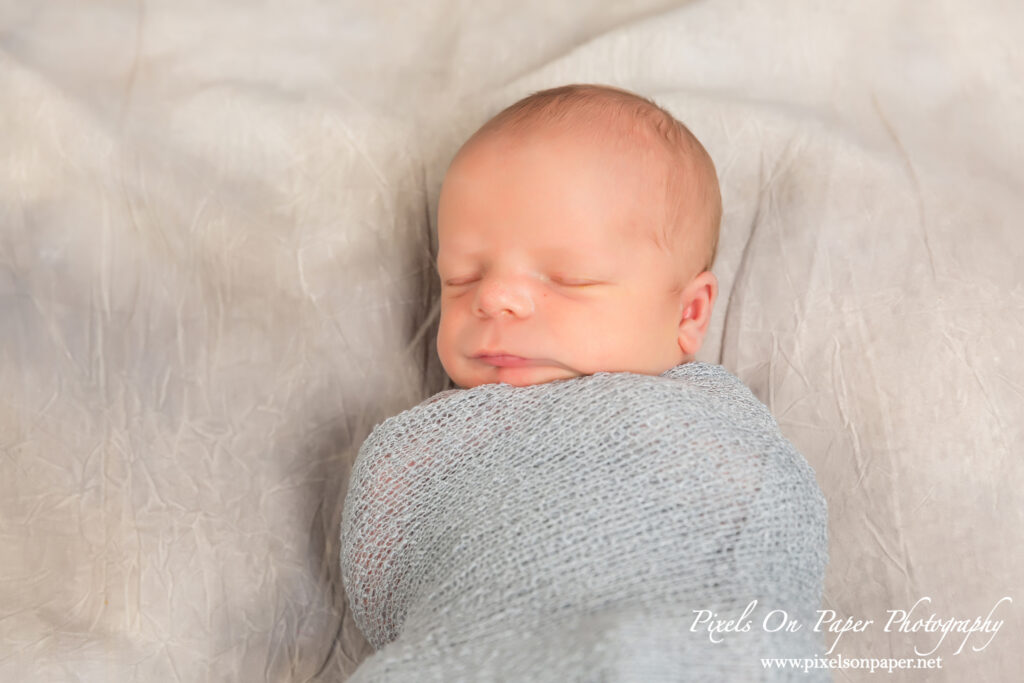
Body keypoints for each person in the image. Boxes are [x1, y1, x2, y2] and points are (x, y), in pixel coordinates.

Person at [435, 83, 722, 389]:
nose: (492, 297)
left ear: (688, 313)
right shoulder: (431, 426)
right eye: (461, 278)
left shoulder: (702, 423)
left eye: (570, 278)